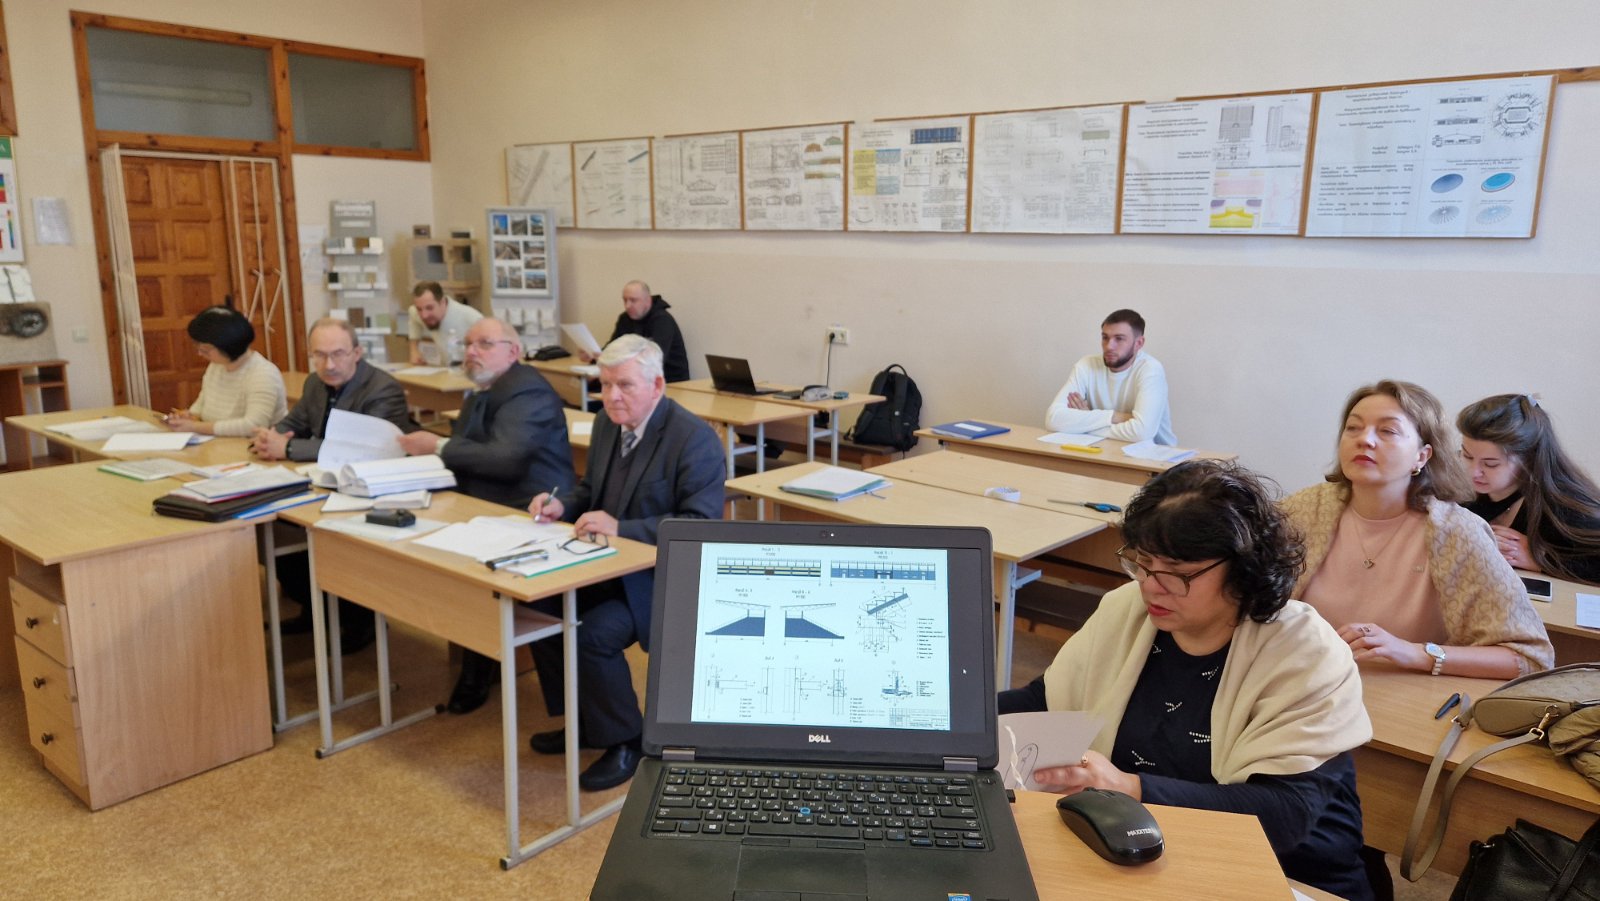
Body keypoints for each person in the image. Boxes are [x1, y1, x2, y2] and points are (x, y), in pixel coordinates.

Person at [999, 460, 1374, 900]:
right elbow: (1046, 700)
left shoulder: (1305, 653)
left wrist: (1129, 789)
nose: (1150, 586)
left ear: (1243, 566)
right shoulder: (1127, 612)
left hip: (1287, 876)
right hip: (1139, 852)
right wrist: (948, 714)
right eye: (1142, 563)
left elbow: (1284, 814)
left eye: (1176, 572)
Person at [526, 334, 725, 791]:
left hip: (658, 578)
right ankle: (585, 720)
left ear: (657, 385)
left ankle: (627, 741)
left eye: (625, 385)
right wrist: (563, 505)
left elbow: (699, 525)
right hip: (604, 563)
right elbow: (591, 491)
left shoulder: (692, 439)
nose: (612, 396)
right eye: (605, 384)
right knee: (542, 610)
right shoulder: (605, 424)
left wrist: (621, 527)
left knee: (593, 634)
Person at [1284, 380, 1553, 680]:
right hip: (1305, 684)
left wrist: (1416, 653)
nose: (1365, 440)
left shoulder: (1456, 532)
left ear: (1422, 456)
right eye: (1353, 428)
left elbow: (1531, 658)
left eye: (1387, 431)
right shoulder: (1302, 511)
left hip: (1402, 696)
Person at [397, 317, 575, 712]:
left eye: (484, 344)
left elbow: (505, 460)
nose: (471, 352)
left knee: (477, 572)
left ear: (513, 351)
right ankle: (478, 666)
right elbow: (471, 451)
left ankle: (482, 673)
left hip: (531, 509)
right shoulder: (486, 389)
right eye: (467, 344)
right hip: (489, 502)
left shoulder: (527, 390)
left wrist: (438, 446)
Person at [250, 317, 420, 650]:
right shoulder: (316, 383)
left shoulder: (382, 388)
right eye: (320, 355)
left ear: (357, 352)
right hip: (325, 482)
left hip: (370, 489)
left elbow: (363, 450)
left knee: (334, 541)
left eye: (338, 354)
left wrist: (289, 448)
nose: (329, 364)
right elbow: (293, 423)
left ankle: (359, 620)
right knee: (276, 529)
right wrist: (271, 437)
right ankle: (313, 608)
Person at [1457, 394, 1600, 583]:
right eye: (1467, 456)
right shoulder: (1462, 490)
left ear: (1528, 460)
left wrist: (1540, 559)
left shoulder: (1563, 505)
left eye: (1491, 464)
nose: (1474, 472)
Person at [1044, 309, 1176, 445]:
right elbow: (1053, 419)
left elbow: (1142, 432)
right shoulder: (1086, 365)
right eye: (1105, 337)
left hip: (1155, 454)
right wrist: (1117, 417)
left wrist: (1083, 424)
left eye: (1119, 339)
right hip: (1104, 449)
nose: (1109, 346)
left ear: (1139, 343)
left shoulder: (1151, 369)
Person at [164, 305, 287, 437]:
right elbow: (201, 406)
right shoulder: (216, 366)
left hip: (251, 445)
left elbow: (253, 426)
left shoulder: (263, 374)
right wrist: (189, 416)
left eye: (206, 349)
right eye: (198, 347)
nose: (200, 353)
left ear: (229, 346)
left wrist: (195, 427)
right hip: (219, 442)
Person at [577, 280, 690, 383]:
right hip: (635, 376)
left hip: (668, 380)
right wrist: (594, 356)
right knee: (587, 385)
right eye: (625, 300)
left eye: (633, 300)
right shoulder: (625, 318)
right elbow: (613, 347)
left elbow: (655, 359)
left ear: (648, 301)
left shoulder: (662, 320)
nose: (627, 306)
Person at [407, 280, 483, 365]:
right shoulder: (418, 312)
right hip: (446, 368)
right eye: (419, 309)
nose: (424, 315)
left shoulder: (473, 318)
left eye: (429, 308)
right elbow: (413, 318)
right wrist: (414, 350)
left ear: (442, 302)